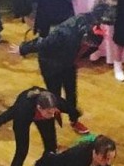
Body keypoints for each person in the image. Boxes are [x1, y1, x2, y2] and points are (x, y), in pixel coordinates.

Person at [12, 8, 105, 137]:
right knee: (54, 94)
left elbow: (88, 49)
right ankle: (51, 118)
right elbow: (43, 43)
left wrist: (77, 59)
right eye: (87, 43)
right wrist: (23, 48)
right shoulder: (64, 33)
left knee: (71, 91)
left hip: (69, 62)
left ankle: (74, 119)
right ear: (83, 36)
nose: (88, 45)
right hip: (51, 63)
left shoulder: (95, 33)